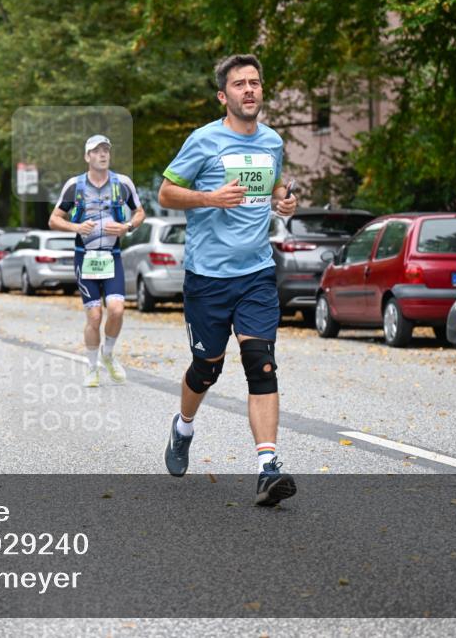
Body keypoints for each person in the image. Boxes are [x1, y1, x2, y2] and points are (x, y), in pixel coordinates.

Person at [158, 54, 298, 507]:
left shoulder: (272, 142)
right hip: (208, 278)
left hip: (256, 272)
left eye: (255, 82)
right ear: (224, 96)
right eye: (239, 84)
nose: (249, 90)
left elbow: (275, 187)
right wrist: (209, 198)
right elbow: (166, 193)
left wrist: (284, 202)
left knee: (261, 362)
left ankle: (267, 467)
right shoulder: (203, 140)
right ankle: (183, 428)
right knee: (207, 370)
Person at [49, 135, 145, 388]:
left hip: (112, 257)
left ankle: (108, 354)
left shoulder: (122, 183)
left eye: (106, 150)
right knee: (94, 316)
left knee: (117, 309)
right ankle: (92, 368)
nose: (102, 154)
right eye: (96, 151)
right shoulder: (75, 186)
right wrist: (76, 226)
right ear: (87, 156)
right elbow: (54, 219)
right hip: (86, 258)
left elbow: (140, 212)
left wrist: (127, 227)